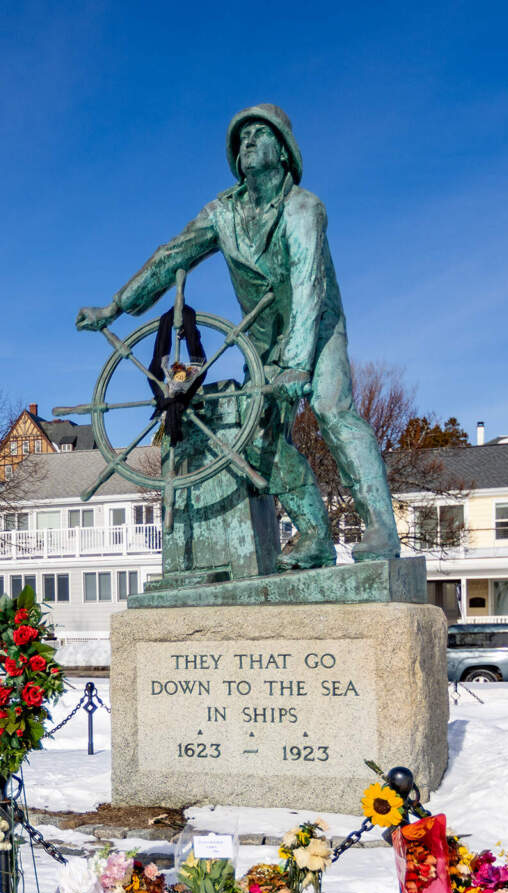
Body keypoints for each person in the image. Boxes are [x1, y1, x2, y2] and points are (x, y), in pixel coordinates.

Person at [75, 104, 402, 566]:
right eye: (241, 137)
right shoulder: (222, 214)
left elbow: (308, 284)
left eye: (259, 134)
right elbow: (171, 256)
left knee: (332, 411)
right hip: (265, 341)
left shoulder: (304, 209)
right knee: (257, 435)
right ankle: (314, 537)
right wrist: (116, 306)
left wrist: (298, 362)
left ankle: (382, 530)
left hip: (318, 329)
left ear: (285, 153)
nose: (247, 141)